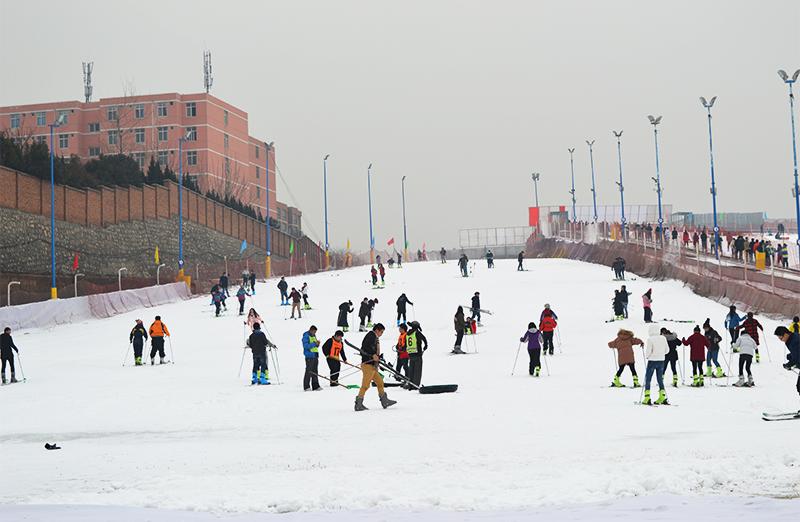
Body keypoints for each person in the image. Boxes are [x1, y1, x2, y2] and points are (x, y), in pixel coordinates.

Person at [355, 323, 397, 411]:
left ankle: (384, 401)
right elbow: (367, 345)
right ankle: (358, 404)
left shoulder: (374, 337)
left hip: (372, 366)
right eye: (381, 332)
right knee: (365, 385)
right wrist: (373, 354)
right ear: (377, 330)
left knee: (380, 382)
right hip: (368, 365)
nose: (381, 334)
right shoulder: (371, 336)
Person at [643, 324, 670, 405]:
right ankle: (662, 396)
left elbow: (648, 352)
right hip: (661, 360)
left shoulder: (650, 339)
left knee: (648, 379)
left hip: (652, 361)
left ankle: (647, 397)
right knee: (660, 379)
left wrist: (648, 357)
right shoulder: (663, 338)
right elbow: (667, 350)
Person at [775, 326, 800, 401]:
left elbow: (799, 354)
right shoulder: (793, 338)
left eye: (780, 338)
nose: (781, 340)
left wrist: (790, 364)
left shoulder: (794, 340)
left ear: (785, 334)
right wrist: (791, 355)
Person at [405, 320, 428, 388]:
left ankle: (410, 384)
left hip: (410, 354)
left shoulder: (408, 334)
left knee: (411, 370)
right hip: (417, 354)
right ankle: (415, 385)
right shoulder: (417, 333)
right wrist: (425, 346)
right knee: (417, 371)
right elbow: (424, 339)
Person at [302, 325, 321, 391]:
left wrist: (317, 344)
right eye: (314, 332)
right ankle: (306, 386)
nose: (314, 334)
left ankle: (315, 385)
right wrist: (315, 344)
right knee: (309, 371)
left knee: (315, 371)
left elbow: (315, 345)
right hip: (309, 356)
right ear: (310, 330)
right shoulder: (306, 336)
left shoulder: (313, 336)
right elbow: (306, 346)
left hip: (315, 355)